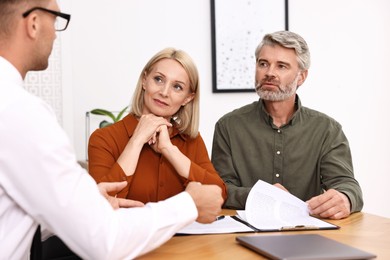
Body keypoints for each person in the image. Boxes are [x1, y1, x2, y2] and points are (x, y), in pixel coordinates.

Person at [0, 0, 223, 259]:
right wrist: (188, 205)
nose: (56, 34)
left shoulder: (14, 108)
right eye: (56, 19)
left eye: (177, 86)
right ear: (34, 23)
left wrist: (90, 200)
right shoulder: (21, 113)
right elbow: (102, 239)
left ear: (187, 97)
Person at [211, 30, 363, 220]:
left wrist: (345, 198)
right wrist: (263, 196)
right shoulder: (228, 126)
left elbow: (346, 184)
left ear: (301, 77)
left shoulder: (327, 130)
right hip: (244, 234)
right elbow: (220, 188)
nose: (269, 73)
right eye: (263, 64)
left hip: (309, 236)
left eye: (281, 66)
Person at [88, 48, 228, 203]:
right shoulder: (103, 138)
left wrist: (169, 150)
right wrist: (136, 141)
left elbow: (218, 196)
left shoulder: (191, 140)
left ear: (187, 98)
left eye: (177, 87)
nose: (164, 92)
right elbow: (102, 205)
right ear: (144, 80)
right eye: (159, 79)